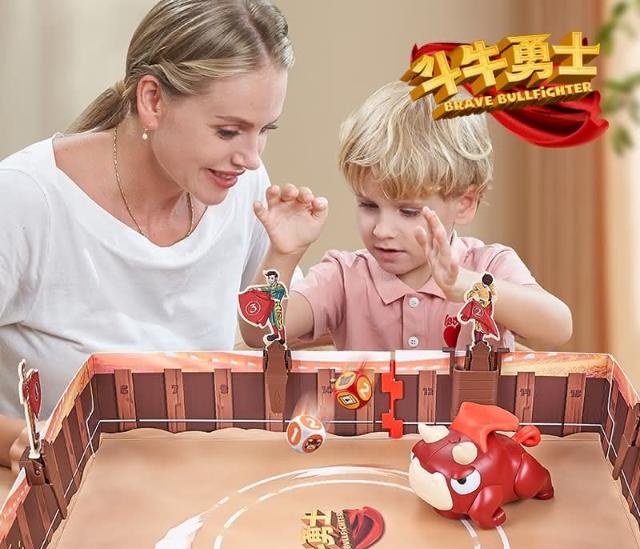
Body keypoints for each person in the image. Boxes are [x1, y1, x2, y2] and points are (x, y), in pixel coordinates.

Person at [0, 0, 328, 468]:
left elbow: (266, 335)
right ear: (152, 100)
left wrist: (287, 257)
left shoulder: (241, 187)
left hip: (197, 481)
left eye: (263, 130)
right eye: (228, 131)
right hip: (63, 494)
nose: (252, 157)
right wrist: (19, 441)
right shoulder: (24, 200)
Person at [240, 81, 573, 351]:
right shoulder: (343, 277)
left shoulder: (489, 266)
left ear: (464, 203)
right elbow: (260, 333)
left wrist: (465, 286)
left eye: (409, 211)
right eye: (368, 205)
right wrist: (283, 254)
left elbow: (558, 327)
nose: (382, 230)